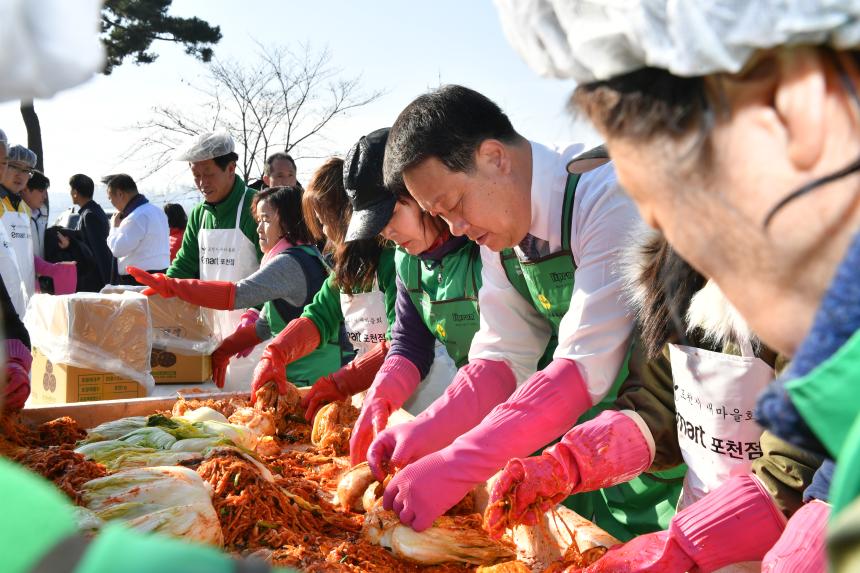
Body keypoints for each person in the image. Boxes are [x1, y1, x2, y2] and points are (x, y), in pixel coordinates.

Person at [495, 1, 860, 570]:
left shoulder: (809, 307)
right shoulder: (677, 279)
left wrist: (710, 543)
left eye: (682, 207)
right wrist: (569, 464)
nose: (683, 245)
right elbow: (661, 403)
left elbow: (802, 460)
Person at [364, 85, 672, 536]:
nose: (456, 228)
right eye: (440, 216)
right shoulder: (501, 229)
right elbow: (500, 360)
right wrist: (428, 429)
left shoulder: (607, 195)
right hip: (571, 463)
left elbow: (583, 367)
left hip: (658, 462)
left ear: (494, 157)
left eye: (453, 205)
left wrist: (457, 463)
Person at [486, 230, 825, 572]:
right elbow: (656, 402)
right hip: (702, 520)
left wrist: (683, 547)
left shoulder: (809, 289)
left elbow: (797, 467)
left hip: (793, 544)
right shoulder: (675, 269)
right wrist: (567, 465)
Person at [130, 185, 341, 389]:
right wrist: (225, 350)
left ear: (288, 223)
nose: (258, 228)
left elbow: (236, 294)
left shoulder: (289, 263)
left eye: (265, 220)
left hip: (311, 378)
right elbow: (264, 325)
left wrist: (172, 285)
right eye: (258, 220)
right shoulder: (305, 254)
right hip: (304, 374)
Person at [167, 130, 263, 388]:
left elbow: (277, 270)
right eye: (196, 175)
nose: (201, 182)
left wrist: (255, 316)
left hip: (254, 336)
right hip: (212, 334)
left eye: (208, 174)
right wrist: (157, 289)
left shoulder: (256, 208)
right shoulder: (199, 215)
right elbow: (184, 268)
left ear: (231, 168)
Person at [0, 144, 74, 313]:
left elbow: (23, 252)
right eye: (14, 167)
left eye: (27, 170)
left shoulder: (25, 209)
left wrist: (50, 268)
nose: (21, 175)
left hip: (25, 296)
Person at [104, 174, 170, 286]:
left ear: (120, 194)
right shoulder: (157, 211)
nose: (112, 203)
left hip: (138, 280)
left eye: (111, 198)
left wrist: (114, 227)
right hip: (161, 275)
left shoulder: (135, 217)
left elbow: (117, 249)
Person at [61, 173, 112, 291]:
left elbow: (98, 251)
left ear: (75, 192)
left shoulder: (89, 215)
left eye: (71, 189)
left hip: (95, 280)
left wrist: (106, 284)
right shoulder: (92, 211)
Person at [22, 171, 49, 259]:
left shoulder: (42, 214)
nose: (44, 197)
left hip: (41, 271)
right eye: (41, 191)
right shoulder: (13, 215)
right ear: (25, 188)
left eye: (46, 192)